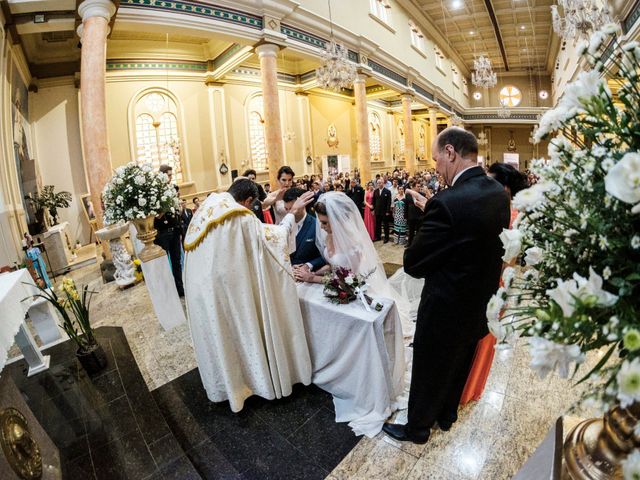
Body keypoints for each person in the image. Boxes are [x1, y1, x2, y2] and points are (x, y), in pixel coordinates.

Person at [383, 127, 510, 444]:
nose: (436, 166)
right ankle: (447, 415)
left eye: (437, 158)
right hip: (479, 302)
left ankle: (418, 428)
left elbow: (414, 263)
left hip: (444, 305)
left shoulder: (446, 202)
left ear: (451, 152)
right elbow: (479, 241)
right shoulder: (497, 193)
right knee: (460, 360)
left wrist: (432, 218)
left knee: (429, 367)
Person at [183, 178, 314, 412]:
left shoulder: (208, 206)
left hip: (203, 289)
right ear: (247, 201)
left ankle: (228, 385)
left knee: (222, 336)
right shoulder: (237, 215)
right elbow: (273, 241)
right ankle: (252, 382)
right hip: (226, 290)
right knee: (240, 329)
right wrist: (292, 214)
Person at [293, 191, 414, 337]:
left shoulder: (353, 243)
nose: (321, 226)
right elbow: (333, 266)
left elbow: (348, 280)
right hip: (338, 284)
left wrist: (311, 278)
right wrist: (313, 272)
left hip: (357, 290)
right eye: (320, 221)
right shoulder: (328, 235)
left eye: (325, 222)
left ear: (337, 220)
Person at [458, 162, 528, 406]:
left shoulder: (512, 216)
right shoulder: (502, 210)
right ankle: (466, 386)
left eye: (489, 181)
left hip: (495, 282)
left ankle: (469, 389)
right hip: (491, 280)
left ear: (505, 188)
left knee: (484, 338)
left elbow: (506, 256)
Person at [154, 165, 184, 297]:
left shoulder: (172, 189)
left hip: (175, 230)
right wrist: (166, 205)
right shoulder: (156, 191)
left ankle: (179, 288)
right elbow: (157, 215)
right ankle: (169, 291)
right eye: (169, 175)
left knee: (177, 262)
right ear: (162, 175)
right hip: (163, 232)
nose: (171, 178)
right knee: (165, 263)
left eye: (172, 175)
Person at [283, 188, 326, 272]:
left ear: (303, 205)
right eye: (286, 209)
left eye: (292, 208)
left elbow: (325, 255)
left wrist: (308, 265)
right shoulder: (283, 225)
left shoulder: (317, 225)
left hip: (309, 276)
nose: (289, 213)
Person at [373, 178, 392, 243]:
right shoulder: (375, 191)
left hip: (385, 212)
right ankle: (378, 237)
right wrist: (373, 210)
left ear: (383, 183)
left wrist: (387, 211)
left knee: (385, 225)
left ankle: (386, 238)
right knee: (378, 225)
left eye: (380, 183)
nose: (379, 184)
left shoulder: (387, 191)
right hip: (377, 211)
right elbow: (374, 201)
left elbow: (389, 202)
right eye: (378, 183)